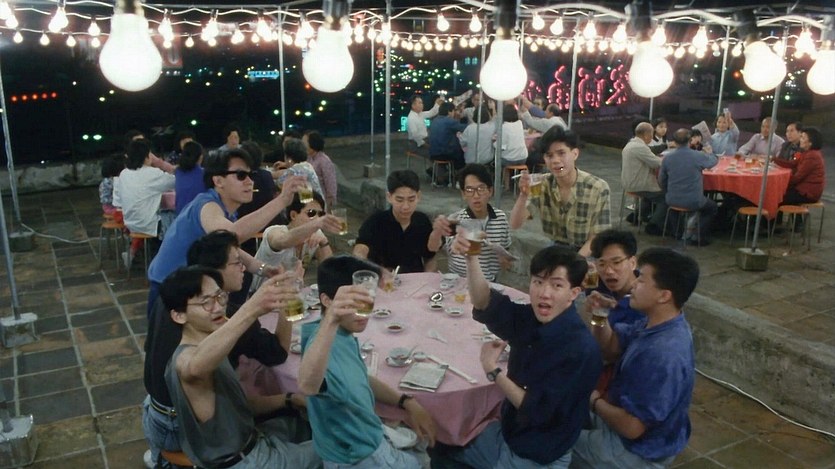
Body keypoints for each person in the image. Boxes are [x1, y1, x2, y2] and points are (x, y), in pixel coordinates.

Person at [143, 231, 302, 467]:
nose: (244, 268)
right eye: (238, 262)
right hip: (186, 431)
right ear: (215, 271)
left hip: (153, 412)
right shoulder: (221, 324)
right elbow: (277, 353)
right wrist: (258, 307)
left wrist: (289, 399)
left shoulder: (173, 295)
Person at [446, 242, 601, 468]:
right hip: (512, 430)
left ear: (573, 293)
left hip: (536, 453)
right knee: (446, 442)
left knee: (446, 451)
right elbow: (485, 303)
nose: (544, 293)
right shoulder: (531, 318)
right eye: (538, 282)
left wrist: (493, 371)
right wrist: (471, 258)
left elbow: (538, 411)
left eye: (557, 285)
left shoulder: (579, 350)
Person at [160, 266, 321, 468]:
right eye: (206, 302)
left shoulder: (212, 346)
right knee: (343, 446)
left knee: (307, 422)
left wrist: (289, 399)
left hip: (254, 439)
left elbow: (239, 406)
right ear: (179, 316)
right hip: (245, 461)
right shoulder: (185, 360)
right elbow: (193, 368)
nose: (218, 307)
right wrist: (252, 308)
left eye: (220, 297)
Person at [297, 255, 437, 468]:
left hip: (357, 442)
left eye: (368, 300)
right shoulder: (324, 346)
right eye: (353, 302)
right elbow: (308, 385)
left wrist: (407, 402)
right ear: (327, 301)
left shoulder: (340, 333)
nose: (364, 312)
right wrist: (333, 317)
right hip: (358, 455)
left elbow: (360, 377)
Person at [571, 248, 699, 469]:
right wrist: (599, 316)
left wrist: (594, 401)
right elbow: (611, 350)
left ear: (664, 295)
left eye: (641, 280)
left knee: (550, 438)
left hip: (636, 451)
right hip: (624, 425)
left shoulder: (663, 353)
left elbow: (632, 428)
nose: (633, 285)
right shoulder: (658, 322)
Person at [147, 147, 305, 319]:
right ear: (218, 181)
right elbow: (230, 235)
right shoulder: (207, 205)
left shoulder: (225, 210)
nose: (250, 181)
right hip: (169, 292)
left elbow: (228, 246)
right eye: (241, 175)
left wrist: (263, 269)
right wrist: (282, 200)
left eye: (250, 175)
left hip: (189, 289)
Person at [510, 126, 611, 257]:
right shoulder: (542, 184)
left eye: (561, 153)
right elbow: (515, 224)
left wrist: (575, 262)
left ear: (575, 154)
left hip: (588, 252)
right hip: (556, 247)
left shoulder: (597, 187)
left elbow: (597, 237)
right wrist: (523, 195)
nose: (555, 161)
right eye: (549, 155)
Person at [429, 164, 512, 282]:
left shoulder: (501, 218)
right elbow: (432, 248)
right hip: (459, 282)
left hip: (488, 283)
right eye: (469, 190)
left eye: (481, 189)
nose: (476, 196)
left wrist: (505, 261)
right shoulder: (455, 219)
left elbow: (506, 255)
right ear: (463, 194)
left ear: (490, 191)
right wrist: (437, 231)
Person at [250, 191, 341, 292]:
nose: (317, 219)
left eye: (321, 214)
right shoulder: (275, 231)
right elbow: (282, 240)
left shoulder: (315, 235)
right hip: (258, 294)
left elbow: (330, 271)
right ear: (293, 215)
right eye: (311, 213)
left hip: (290, 294)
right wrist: (314, 226)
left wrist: (324, 242)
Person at [353, 170, 438, 273]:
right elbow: (360, 251)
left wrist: (427, 275)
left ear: (418, 196)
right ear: (389, 197)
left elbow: (430, 257)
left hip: (415, 278)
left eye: (411, 200)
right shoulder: (375, 222)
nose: (405, 206)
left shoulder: (422, 221)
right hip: (382, 278)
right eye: (399, 200)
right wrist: (375, 271)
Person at [116, 138, 176, 265]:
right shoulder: (153, 173)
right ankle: (170, 261)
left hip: (131, 224)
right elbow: (175, 181)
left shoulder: (124, 174)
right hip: (149, 225)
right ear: (146, 156)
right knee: (177, 217)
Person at [658, 129, 718, 246]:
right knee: (712, 207)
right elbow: (712, 162)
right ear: (690, 141)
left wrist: (668, 191)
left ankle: (677, 232)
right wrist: (711, 153)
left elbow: (661, 180)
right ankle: (698, 236)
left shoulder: (667, 158)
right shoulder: (697, 156)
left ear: (674, 142)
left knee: (673, 206)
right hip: (694, 200)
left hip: (672, 198)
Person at [587, 229, 643, 328]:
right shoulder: (596, 287)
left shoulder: (646, 299)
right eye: (602, 264)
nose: (608, 271)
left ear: (633, 263)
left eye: (616, 262)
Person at [773, 127, 825, 230]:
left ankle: (773, 225)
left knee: (776, 196)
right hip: (803, 189)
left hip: (808, 193)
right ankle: (795, 224)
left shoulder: (812, 156)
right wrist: (774, 160)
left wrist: (780, 181)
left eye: (803, 137)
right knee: (780, 193)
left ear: (810, 142)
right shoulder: (807, 153)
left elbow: (797, 178)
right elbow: (792, 164)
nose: (800, 139)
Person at [621, 122, 666, 234]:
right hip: (638, 184)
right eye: (651, 134)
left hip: (629, 182)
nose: (652, 137)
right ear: (646, 135)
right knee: (666, 197)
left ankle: (636, 215)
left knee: (650, 196)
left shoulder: (631, 144)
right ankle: (654, 225)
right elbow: (657, 163)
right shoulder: (640, 147)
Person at [428, 101, 468, 183]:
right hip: (445, 153)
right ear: (449, 112)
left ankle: (445, 175)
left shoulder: (434, 121)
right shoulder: (449, 121)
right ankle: (458, 178)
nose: (454, 113)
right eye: (454, 111)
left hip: (433, 153)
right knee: (463, 155)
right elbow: (465, 128)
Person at [303, 131, 338, 209]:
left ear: (313, 144)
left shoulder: (324, 161)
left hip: (321, 201)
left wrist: (330, 201)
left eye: (304, 143)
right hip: (308, 199)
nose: (302, 146)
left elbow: (330, 183)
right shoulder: (308, 159)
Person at [174, 141, 206, 215]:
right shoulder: (204, 174)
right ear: (200, 157)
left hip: (180, 216)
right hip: (198, 216)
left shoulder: (178, 172)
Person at [498, 104, 528, 169]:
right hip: (523, 158)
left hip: (509, 159)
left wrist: (494, 143)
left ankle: (503, 176)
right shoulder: (520, 123)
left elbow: (502, 146)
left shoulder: (504, 127)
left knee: (497, 159)